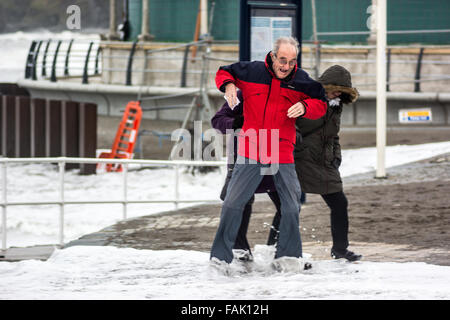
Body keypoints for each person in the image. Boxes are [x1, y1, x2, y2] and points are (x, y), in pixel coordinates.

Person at [210, 36, 327, 267]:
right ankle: (221, 259)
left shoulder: (301, 81)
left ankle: (288, 257)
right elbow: (224, 72)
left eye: (292, 61)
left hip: (281, 150)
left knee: (291, 206)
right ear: (273, 56)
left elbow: (321, 103)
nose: (286, 66)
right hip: (250, 149)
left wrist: (305, 106)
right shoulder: (251, 72)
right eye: (282, 60)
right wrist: (230, 85)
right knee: (232, 203)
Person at [268, 65, 362, 261]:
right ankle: (273, 248)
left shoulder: (337, 104)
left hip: (325, 162)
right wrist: (297, 141)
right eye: (333, 89)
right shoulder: (305, 98)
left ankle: (340, 250)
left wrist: (337, 155)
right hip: (297, 159)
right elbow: (287, 123)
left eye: (340, 92)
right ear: (324, 86)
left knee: (339, 203)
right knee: (291, 205)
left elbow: (333, 135)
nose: (336, 94)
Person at [211, 90, 281, 262]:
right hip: (242, 158)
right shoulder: (241, 96)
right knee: (240, 203)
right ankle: (240, 249)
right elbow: (217, 120)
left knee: (288, 203)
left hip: (273, 157)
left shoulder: (280, 94)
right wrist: (235, 122)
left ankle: (275, 247)